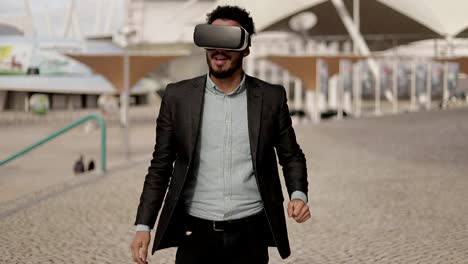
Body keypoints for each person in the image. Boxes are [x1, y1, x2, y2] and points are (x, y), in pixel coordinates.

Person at [131, 5, 310, 264]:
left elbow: (291, 155)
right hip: (195, 234)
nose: (220, 49)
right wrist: (143, 226)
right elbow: (160, 165)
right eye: (213, 39)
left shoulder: (271, 98)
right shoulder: (177, 97)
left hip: (251, 236)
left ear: (246, 47)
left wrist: (298, 195)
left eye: (229, 40)